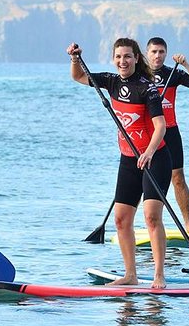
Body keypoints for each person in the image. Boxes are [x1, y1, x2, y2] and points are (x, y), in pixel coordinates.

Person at [67, 38, 172, 288]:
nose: (122, 61)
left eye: (127, 56)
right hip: (128, 160)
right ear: (113, 59)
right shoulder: (111, 81)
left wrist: (148, 152)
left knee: (151, 217)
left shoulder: (147, 89)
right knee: (121, 220)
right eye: (118, 57)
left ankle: (159, 275)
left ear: (137, 58)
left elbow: (161, 126)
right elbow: (79, 77)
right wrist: (74, 59)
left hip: (155, 158)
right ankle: (130, 275)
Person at [146, 37, 189, 234]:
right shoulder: (139, 75)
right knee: (144, 177)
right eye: (154, 52)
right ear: (147, 54)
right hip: (147, 131)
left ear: (166, 53)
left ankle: (188, 223)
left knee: (178, 178)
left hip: (170, 131)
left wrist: (186, 64)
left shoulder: (173, 73)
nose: (157, 55)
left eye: (161, 52)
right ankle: (152, 222)